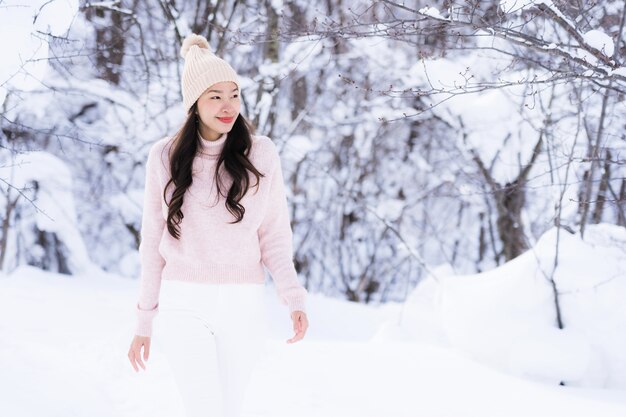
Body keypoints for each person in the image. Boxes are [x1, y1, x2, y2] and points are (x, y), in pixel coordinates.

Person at [127, 33, 309, 417]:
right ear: (194, 104)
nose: (229, 106)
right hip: (183, 303)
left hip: (242, 304)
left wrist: (292, 296)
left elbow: (274, 233)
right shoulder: (164, 156)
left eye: (234, 94)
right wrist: (144, 319)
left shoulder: (261, 153)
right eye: (215, 96)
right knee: (205, 409)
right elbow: (152, 240)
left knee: (229, 408)